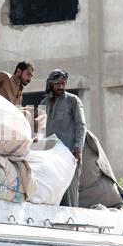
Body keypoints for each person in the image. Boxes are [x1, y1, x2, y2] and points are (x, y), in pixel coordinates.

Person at [40, 69, 87, 207]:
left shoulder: (73, 101)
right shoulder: (44, 102)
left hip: (70, 153)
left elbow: (81, 125)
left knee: (69, 192)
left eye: (63, 83)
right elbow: (41, 128)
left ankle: (70, 223)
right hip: (51, 155)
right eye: (57, 84)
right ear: (50, 85)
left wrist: (78, 146)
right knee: (52, 190)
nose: (60, 87)